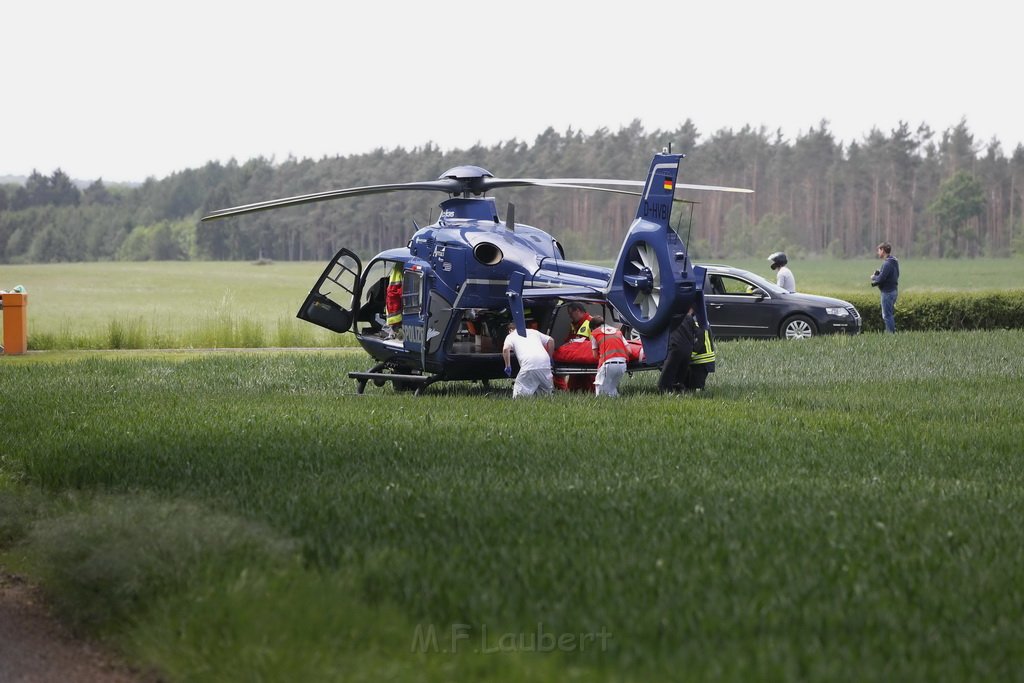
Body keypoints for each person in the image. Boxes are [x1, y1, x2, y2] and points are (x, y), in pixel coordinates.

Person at [502, 322, 555, 398]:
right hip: (545, 365)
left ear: (510, 330)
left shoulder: (511, 335)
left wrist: (508, 366)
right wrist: (550, 357)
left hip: (529, 366)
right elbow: (551, 340)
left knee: (519, 397)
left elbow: (506, 349)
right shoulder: (533, 332)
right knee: (546, 396)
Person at [553, 302, 595, 392]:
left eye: (571, 313)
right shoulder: (576, 324)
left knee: (588, 383)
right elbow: (570, 340)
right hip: (577, 358)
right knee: (574, 384)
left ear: (578, 311)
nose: (570, 316)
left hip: (587, 358)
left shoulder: (590, 322)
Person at [657, 306, 698, 394]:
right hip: (687, 350)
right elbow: (695, 333)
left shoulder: (670, 317)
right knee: (681, 373)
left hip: (676, 348)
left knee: (668, 374)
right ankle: (679, 388)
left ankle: (665, 391)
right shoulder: (690, 319)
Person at [589, 316, 629, 397]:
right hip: (622, 365)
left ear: (593, 327)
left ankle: (600, 406)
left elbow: (595, 355)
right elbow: (629, 351)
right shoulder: (618, 331)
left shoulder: (595, 333)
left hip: (608, 365)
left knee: (600, 388)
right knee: (611, 388)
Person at [870, 241, 900, 333]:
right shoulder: (894, 261)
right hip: (894, 291)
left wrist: (874, 277)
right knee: (889, 314)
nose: (878, 252)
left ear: (883, 250)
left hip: (887, 293)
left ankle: (891, 335)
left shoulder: (886, 264)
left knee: (887, 315)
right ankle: (890, 333)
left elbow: (880, 279)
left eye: (879, 250)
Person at [683, 316, 716, 392]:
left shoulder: (697, 322)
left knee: (697, 387)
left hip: (702, 360)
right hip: (701, 359)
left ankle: (700, 395)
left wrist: (689, 355)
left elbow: (698, 342)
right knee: (690, 386)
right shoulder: (701, 319)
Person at [381, 262, 403, 340]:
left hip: (396, 314)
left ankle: (394, 332)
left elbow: (393, 294)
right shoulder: (400, 268)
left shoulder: (398, 268)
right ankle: (394, 332)